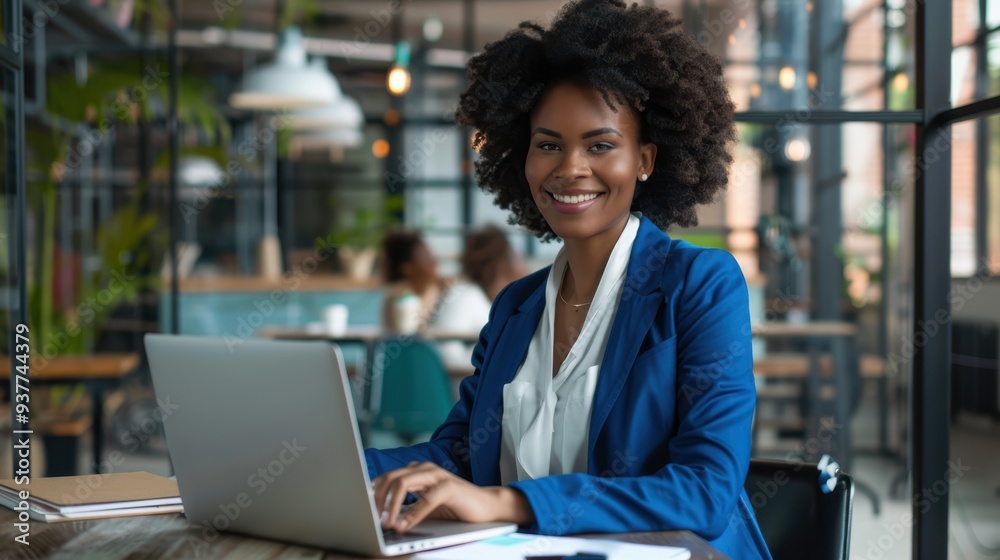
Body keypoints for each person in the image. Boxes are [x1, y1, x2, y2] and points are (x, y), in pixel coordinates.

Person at [364, 1, 771, 558]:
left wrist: (512, 503)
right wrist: (336, 468)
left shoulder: (700, 283)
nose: (569, 168)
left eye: (600, 145)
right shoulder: (516, 305)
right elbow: (461, 453)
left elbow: (706, 491)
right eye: (548, 144)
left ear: (645, 158)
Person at [379, 231, 448, 333]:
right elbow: (408, 332)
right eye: (426, 257)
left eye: (432, 256)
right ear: (407, 268)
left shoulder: (437, 288)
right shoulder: (398, 296)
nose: (434, 262)